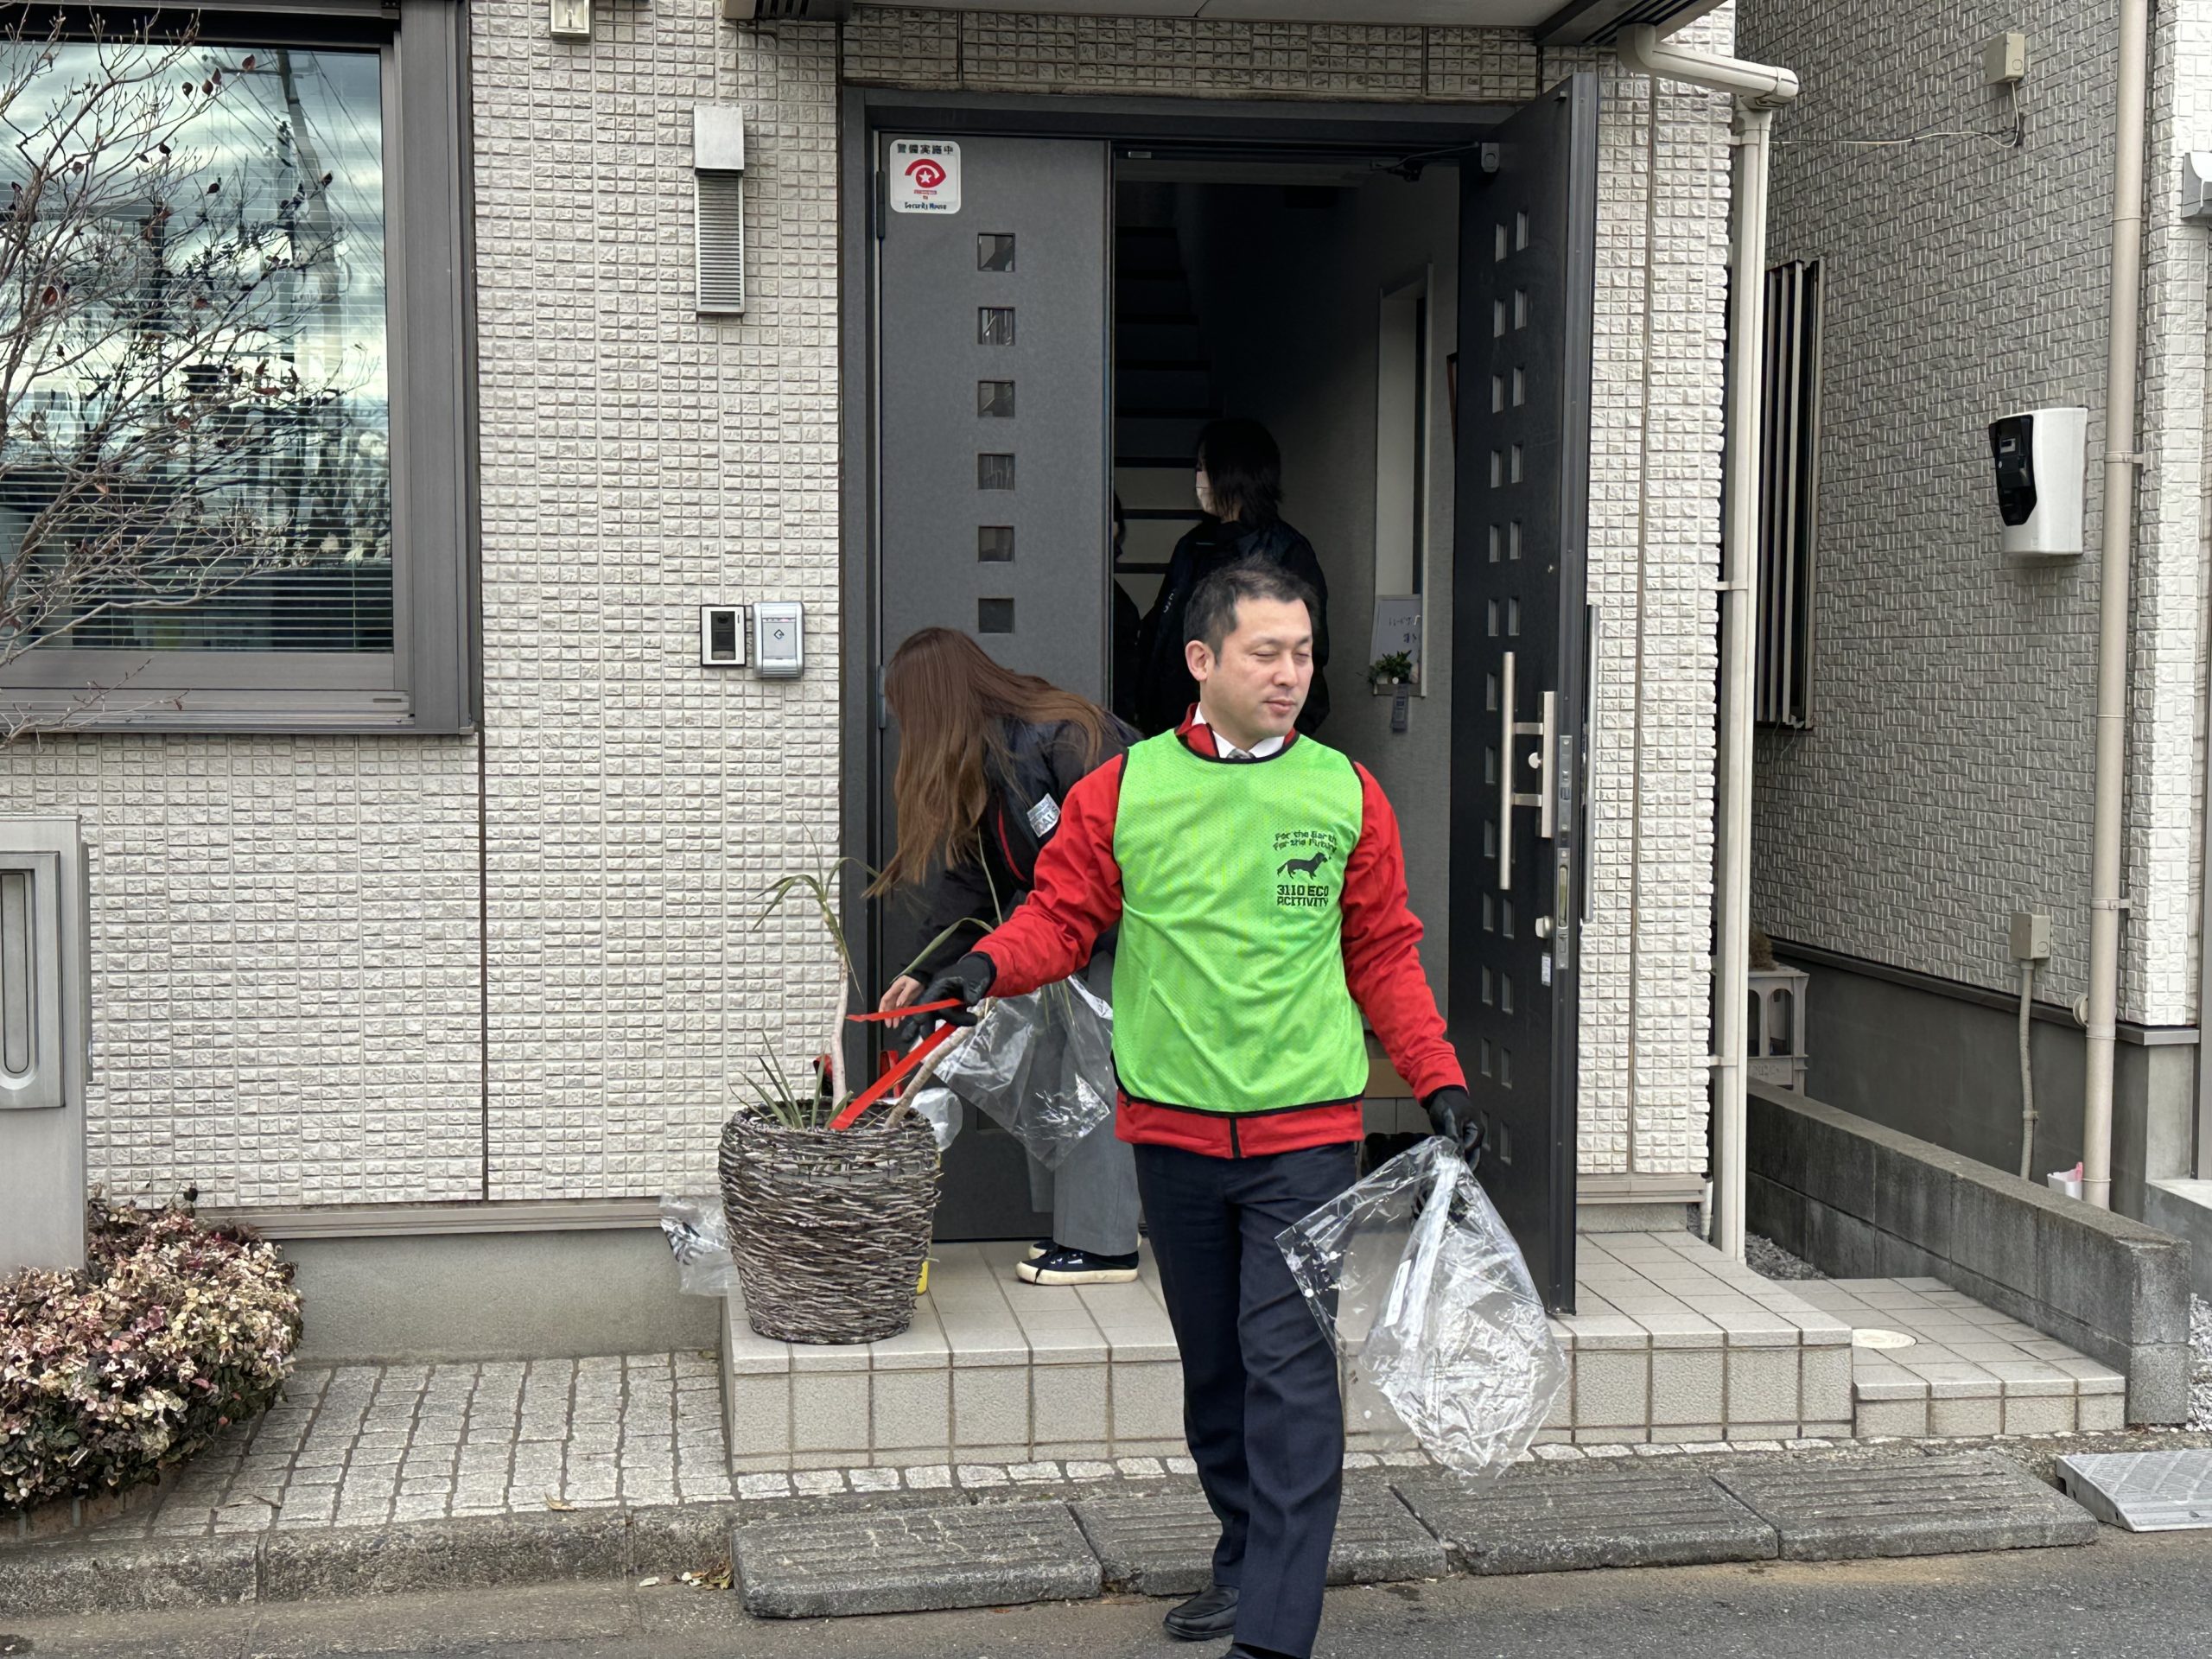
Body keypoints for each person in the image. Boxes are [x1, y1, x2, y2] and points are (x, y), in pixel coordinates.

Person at [904, 561, 1481, 1659]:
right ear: (1202, 661)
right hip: (1171, 1137)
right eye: (1267, 653)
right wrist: (980, 969)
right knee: (1216, 1374)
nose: (1290, 674)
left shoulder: (1345, 793)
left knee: (1290, 1375)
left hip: (1305, 1138)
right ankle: (1244, 1560)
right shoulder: (1125, 790)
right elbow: (1061, 918)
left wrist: (1436, 1075)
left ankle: (1275, 1627)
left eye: (1302, 653)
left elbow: (1382, 951)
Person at [871, 626, 1144, 1287]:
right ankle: (1080, 1227)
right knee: (1054, 1067)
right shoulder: (987, 766)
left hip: (1131, 935)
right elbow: (970, 880)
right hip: (1070, 937)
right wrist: (924, 970)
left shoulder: (1069, 737)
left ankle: (1105, 1245)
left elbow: (1131, 851)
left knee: (1096, 1073)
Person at [1130, 417, 1332, 738]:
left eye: (1204, 466)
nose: (1198, 478)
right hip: (1179, 731)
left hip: (1251, 738)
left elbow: (1308, 651)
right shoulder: (1192, 546)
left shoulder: (1284, 551)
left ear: (1234, 471)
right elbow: (1161, 631)